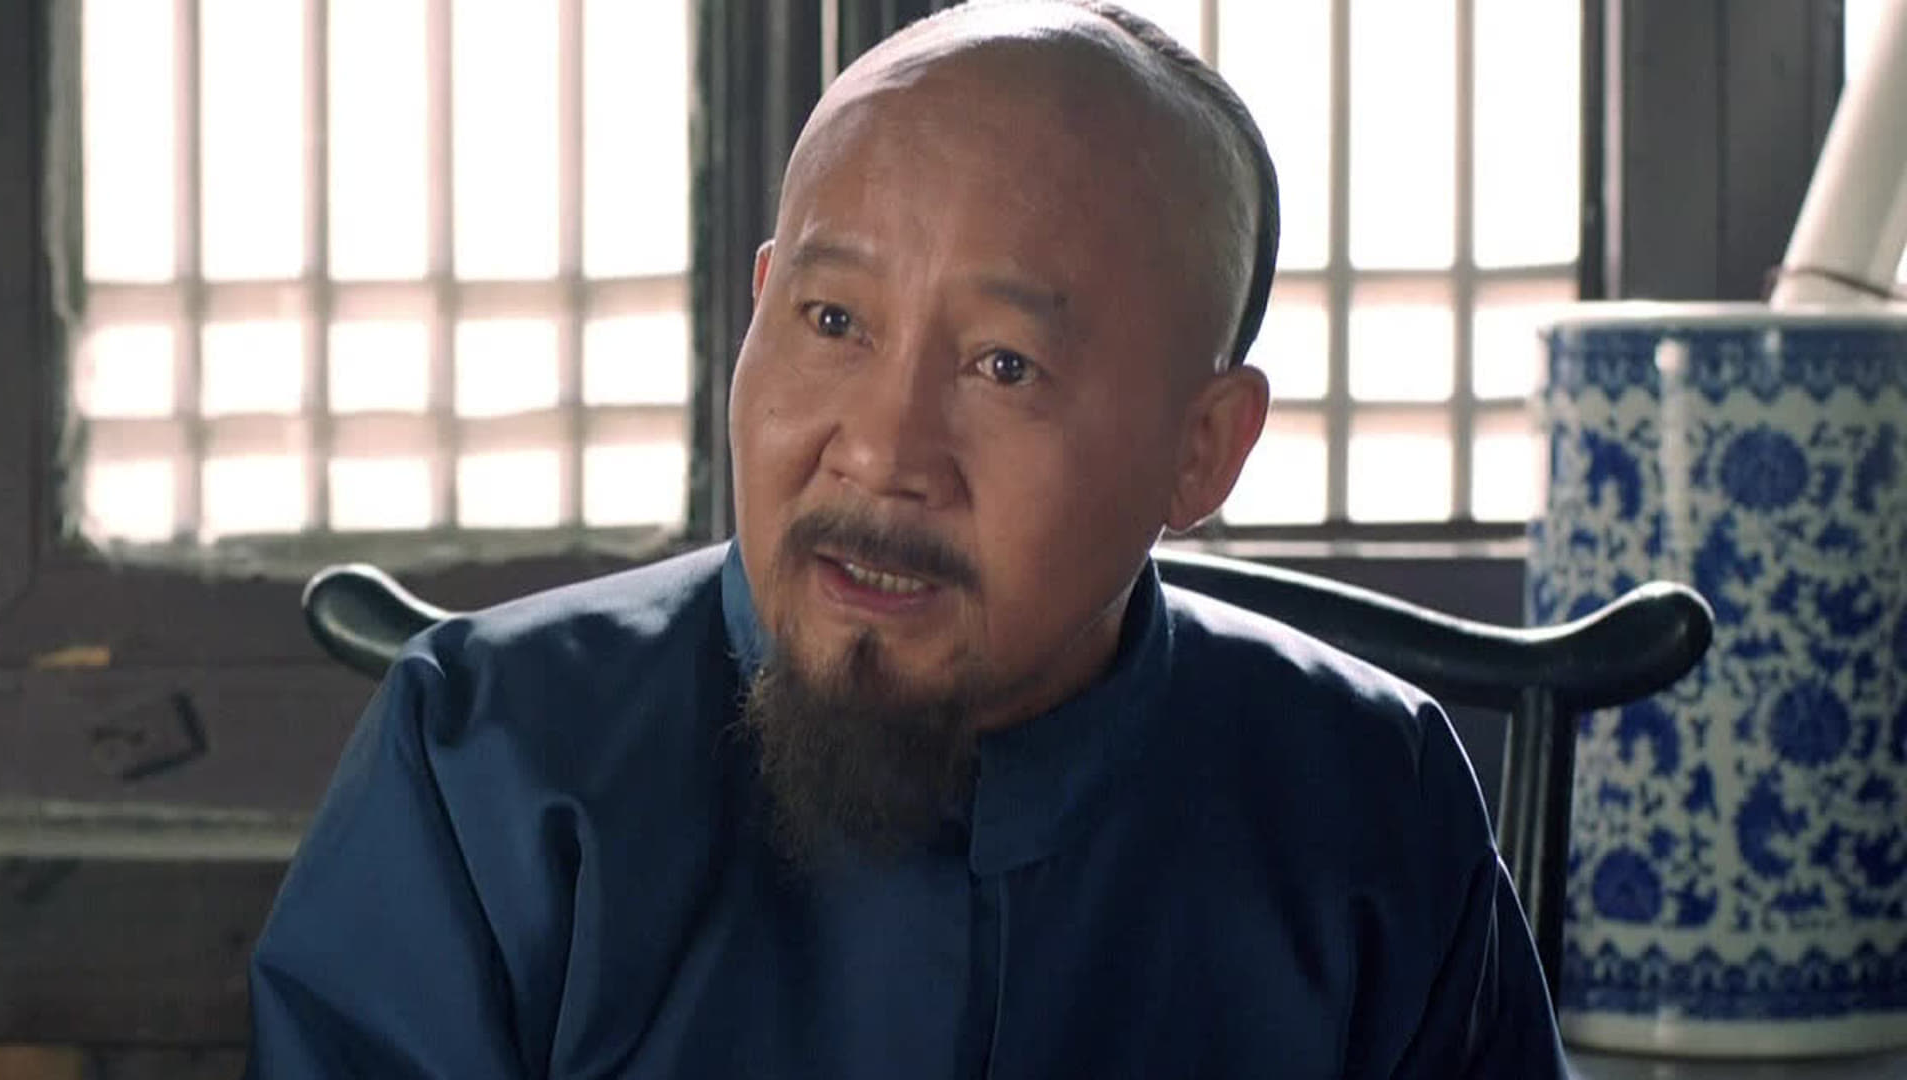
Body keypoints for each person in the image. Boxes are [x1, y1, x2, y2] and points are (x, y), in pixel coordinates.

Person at [244, 2, 1569, 1076]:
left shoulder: (1364, 801)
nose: (880, 453)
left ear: (1202, 448)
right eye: (832, 322)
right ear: (761, 305)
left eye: (1004, 365)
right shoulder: (491, 760)